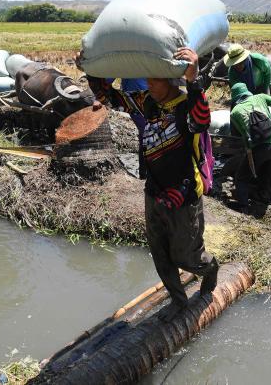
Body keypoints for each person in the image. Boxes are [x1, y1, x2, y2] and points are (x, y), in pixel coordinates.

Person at [87, 47, 219, 322]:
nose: (148, 85)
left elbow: (202, 120)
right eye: (147, 80)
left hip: (183, 195)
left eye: (154, 80)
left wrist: (193, 80)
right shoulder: (148, 102)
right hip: (154, 191)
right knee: (159, 253)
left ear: (170, 79)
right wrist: (90, 69)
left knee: (187, 258)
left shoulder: (186, 106)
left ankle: (211, 268)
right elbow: (109, 97)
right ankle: (179, 301)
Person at [229, 82, 271, 212]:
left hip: (259, 148)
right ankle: (263, 197)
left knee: (241, 177)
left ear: (235, 97)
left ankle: (243, 206)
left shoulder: (235, 112)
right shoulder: (260, 97)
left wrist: (248, 149)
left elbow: (244, 136)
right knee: (265, 175)